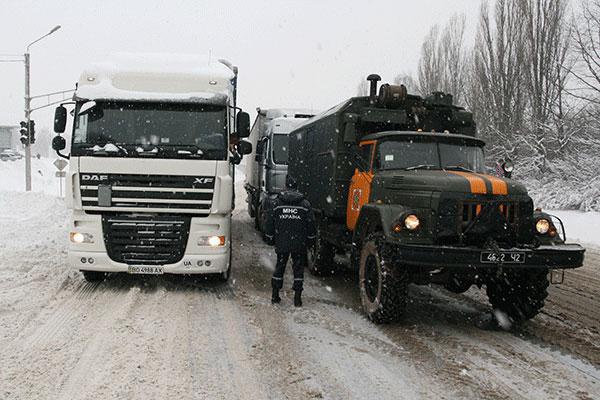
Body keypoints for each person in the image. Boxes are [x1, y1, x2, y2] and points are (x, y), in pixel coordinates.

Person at [264, 175, 316, 307]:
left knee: (280, 267)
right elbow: (311, 224)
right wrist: (311, 240)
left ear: (286, 186)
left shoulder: (277, 203)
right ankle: (297, 299)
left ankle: (275, 295)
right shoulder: (305, 205)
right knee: (298, 269)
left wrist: (270, 236)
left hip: (282, 241)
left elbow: (270, 221)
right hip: (299, 242)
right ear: (297, 187)